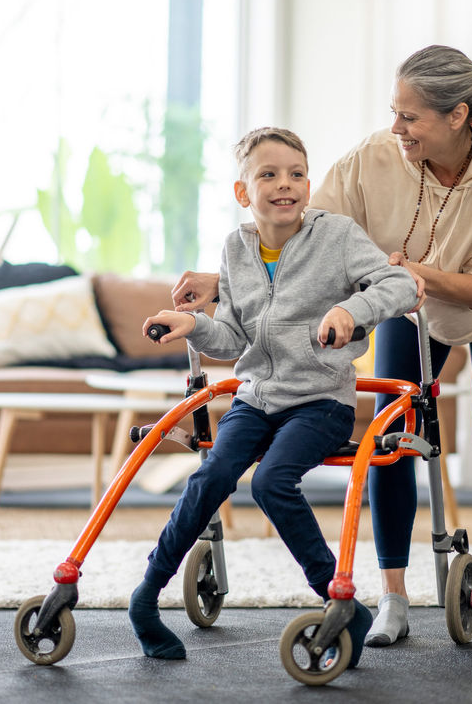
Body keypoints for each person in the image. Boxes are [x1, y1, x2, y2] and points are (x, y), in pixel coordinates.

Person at [172, 45, 472, 641]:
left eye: (410, 117)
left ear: (458, 115)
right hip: (406, 298)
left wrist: (414, 275)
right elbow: (301, 246)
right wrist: (222, 282)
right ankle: (393, 594)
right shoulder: (375, 157)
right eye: (393, 112)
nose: (395, 127)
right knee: (391, 434)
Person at [131, 126, 419, 664]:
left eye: (296, 174)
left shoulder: (337, 236)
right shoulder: (236, 248)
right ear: (244, 192)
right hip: (256, 399)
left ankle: (339, 600)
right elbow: (235, 340)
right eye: (268, 174)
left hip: (321, 402)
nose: (285, 185)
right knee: (212, 475)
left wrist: (348, 311)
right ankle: (145, 598)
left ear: (309, 186)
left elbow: (399, 285)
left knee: (270, 482)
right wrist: (192, 324)